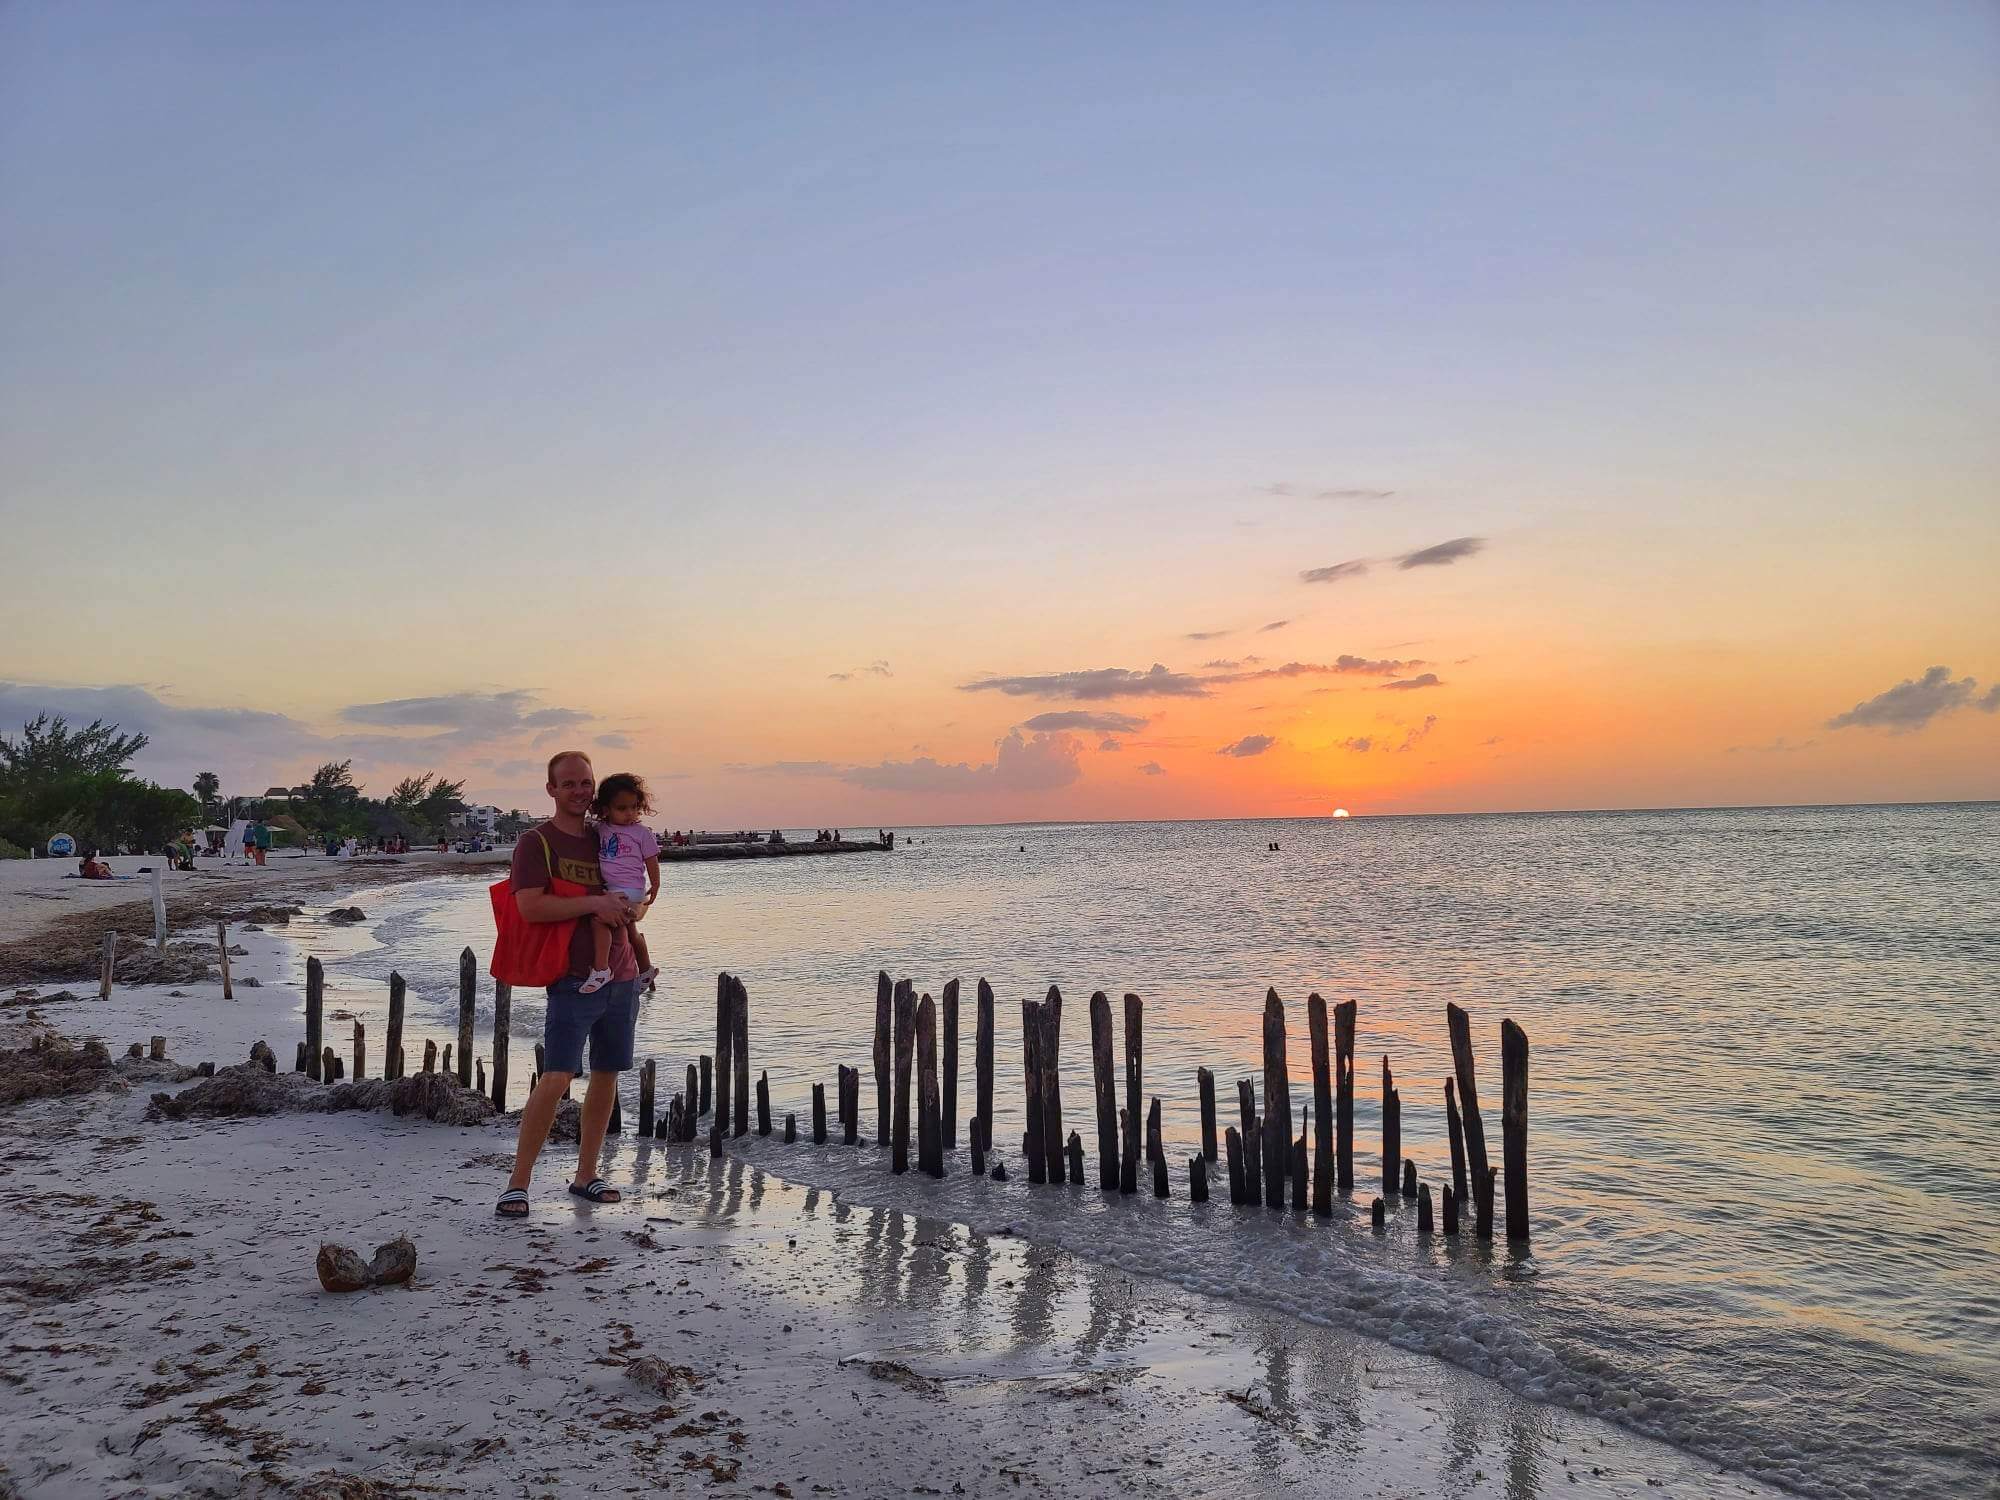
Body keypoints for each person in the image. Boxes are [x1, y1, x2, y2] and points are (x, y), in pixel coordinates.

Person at [495, 751, 639, 1220]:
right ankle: (518, 1184)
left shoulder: (609, 837)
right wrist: (594, 905)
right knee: (557, 1075)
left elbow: (637, 894)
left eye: (586, 783)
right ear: (551, 790)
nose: (580, 791)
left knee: (607, 1073)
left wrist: (630, 910)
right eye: (569, 783)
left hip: (622, 974)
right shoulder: (535, 843)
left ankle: (586, 1174)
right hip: (571, 977)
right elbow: (530, 908)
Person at [582, 772, 660, 994]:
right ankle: (645, 970)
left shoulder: (641, 833)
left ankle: (601, 968)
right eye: (622, 808)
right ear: (606, 809)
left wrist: (655, 885)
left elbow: (651, 860)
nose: (629, 814)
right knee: (631, 931)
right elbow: (588, 817)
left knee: (599, 921)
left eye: (634, 807)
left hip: (628, 890)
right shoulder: (602, 828)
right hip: (617, 889)